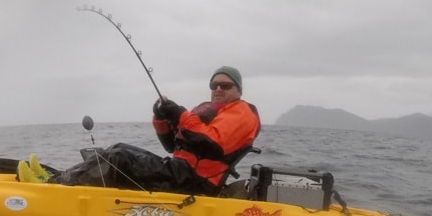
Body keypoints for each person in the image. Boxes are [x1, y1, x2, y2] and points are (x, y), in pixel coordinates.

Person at [18, 66, 261, 196]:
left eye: (225, 85)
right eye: (214, 85)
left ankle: (52, 186)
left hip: (196, 182)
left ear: (237, 89)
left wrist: (180, 114)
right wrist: (162, 118)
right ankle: (62, 177)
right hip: (179, 170)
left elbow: (212, 144)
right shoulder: (207, 110)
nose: (218, 89)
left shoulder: (242, 112)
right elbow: (172, 146)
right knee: (118, 148)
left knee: (119, 158)